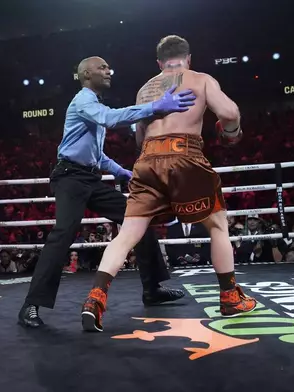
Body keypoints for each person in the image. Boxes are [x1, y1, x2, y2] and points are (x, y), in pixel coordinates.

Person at [80, 35, 256, 332]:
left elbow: (138, 138)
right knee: (217, 225)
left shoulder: (144, 89)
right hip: (184, 154)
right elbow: (229, 113)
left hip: (147, 160)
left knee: (127, 235)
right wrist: (231, 132)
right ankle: (229, 297)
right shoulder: (199, 78)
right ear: (188, 58)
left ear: (159, 63)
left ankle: (95, 299)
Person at [18, 56, 196, 328]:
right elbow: (109, 118)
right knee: (64, 233)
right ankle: (31, 305)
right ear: (86, 74)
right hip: (69, 178)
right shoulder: (83, 101)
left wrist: (121, 171)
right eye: (101, 68)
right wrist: (153, 107)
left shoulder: (93, 104)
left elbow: (96, 155)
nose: (108, 71)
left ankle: (153, 290)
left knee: (137, 219)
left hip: (90, 178)